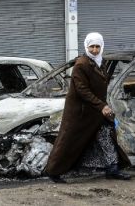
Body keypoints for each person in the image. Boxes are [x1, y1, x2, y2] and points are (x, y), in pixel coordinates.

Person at [43, 32, 130, 183]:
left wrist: (101, 105)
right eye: (92, 47)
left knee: (106, 136)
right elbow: (82, 90)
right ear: (86, 46)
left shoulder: (99, 62)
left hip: (95, 110)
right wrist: (102, 106)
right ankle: (54, 171)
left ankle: (113, 168)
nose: (95, 50)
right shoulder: (82, 64)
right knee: (69, 141)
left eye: (98, 46)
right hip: (81, 112)